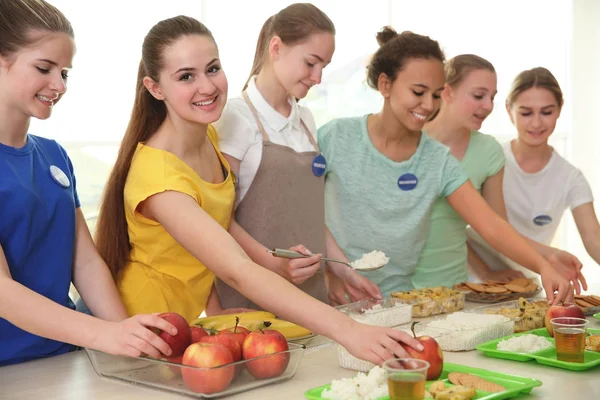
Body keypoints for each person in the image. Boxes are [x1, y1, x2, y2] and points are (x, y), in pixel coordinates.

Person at [93, 15, 423, 366]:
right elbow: (236, 268)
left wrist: (226, 301)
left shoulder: (208, 138)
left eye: (213, 68)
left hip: (186, 329)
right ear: (155, 88)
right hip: (143, 331)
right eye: (186, 76)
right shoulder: (157, 176)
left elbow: (212, 225)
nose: (207, 86)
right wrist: (348, 329)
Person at [317, 27, 573, 304]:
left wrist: (543, 265)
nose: (428, 104)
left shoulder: (437, 159)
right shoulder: (334, 137)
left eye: (436, 95)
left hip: (395, 302)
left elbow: (491, 225)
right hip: (331, 296)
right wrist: (333, 269)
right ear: (385, 85)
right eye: (418, 92)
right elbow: (301, 211)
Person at [0, 0, 177, 366]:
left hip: (63, 357)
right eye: (44, 68)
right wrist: (106, 335)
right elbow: (3, 294)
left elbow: (85, 262)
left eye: (65, 72)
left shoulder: (53, 157)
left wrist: (128, 335)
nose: (58, 85)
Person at [213, 3, 380, 310]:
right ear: (276, 47)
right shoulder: (235, 118)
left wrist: (344, 269)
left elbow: (309, 215)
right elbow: (217, 218)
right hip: (252, 301)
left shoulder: (306, 120)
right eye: (310, 63)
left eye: (324, 67)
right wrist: (274, 264)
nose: (317, 78)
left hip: (310, 297)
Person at [412, 55, 585, 291]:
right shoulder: (408, 141)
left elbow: (497, 227)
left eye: (492, 97)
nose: (488, 106)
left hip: (454, 291)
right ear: (447, 92)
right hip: (398, 286)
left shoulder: (488, 152)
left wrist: (549, 257)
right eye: (478, 96)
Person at [468, 67, 597, 283]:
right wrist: (484, 273)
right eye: (526, 113)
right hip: (470, 281)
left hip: (527, 284)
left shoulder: (571, 178)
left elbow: (594, 238)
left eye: (546, 112)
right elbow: (451, 228)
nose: (536, 123)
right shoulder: (490, 158)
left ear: (560, 109)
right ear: (509, 110)